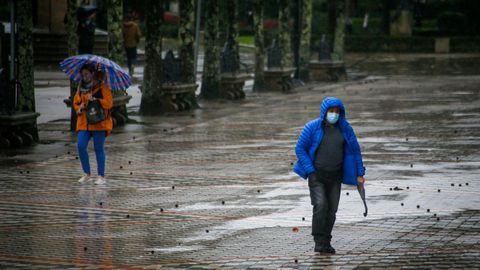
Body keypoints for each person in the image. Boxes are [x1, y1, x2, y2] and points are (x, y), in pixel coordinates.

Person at [293, 97, 366, 254]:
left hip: (335, 176)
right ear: (324, 112)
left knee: (332, 210)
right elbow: (300, 149)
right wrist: (310, 170)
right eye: (331, 111)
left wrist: (360, 173)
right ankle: (318, 241)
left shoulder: (345, 129)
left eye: (337, 112)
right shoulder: (312, 127)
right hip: (316, 175)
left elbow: (355, 151)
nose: (334, 114)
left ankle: (326, 240)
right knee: (321, 205)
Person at [73, 64, 113, 185]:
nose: (84, 77)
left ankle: (101, 175)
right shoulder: (81, 89)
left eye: (87, 74)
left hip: (99, 123)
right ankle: (87, 173)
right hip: (84, 123)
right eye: (83, 74)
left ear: (92, 74)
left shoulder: (102, 88)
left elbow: (109, 104)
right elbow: (76, 102)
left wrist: (96, 100)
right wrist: (79, 107)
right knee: (80, 145)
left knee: (98, 148)